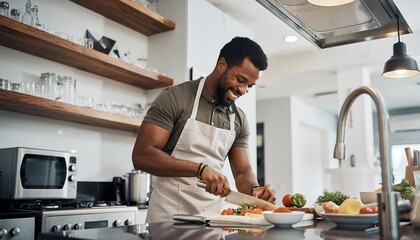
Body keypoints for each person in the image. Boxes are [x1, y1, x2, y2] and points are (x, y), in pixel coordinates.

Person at [132, 36, 276, 223]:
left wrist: (255, 189)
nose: (243, 91)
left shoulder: (239, 119)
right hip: (169, 219)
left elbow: (242, 173)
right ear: (222, 65)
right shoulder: (175, 98)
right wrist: (199, 169)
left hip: (213, 220)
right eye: (240, 80)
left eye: (249, 86)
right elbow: (142, 156)